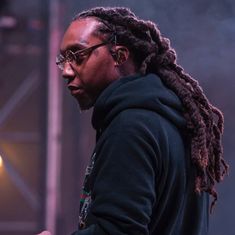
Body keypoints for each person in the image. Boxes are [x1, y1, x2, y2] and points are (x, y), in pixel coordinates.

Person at [39, 6, 228, 235]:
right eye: (64, 59)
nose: (66, 71)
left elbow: (118, 231)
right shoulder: (173, 121)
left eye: (77, 56)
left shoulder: (130, 127)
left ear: (119, 55)